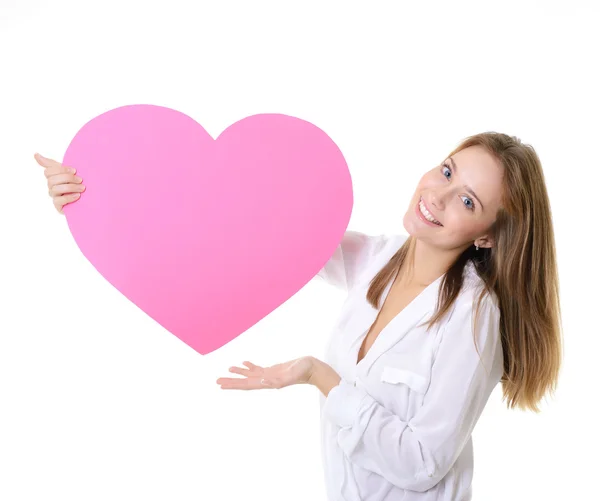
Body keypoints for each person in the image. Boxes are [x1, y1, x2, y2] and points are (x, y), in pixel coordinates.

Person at [35, 132, 563, 501]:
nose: (438, 196)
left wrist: (319, 375)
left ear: (489, 234)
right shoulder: (378, 258)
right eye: (446, 171)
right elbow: (247, 226)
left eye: (467, 200)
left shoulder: (475, 319)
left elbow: (421, 464)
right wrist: (94, 198)